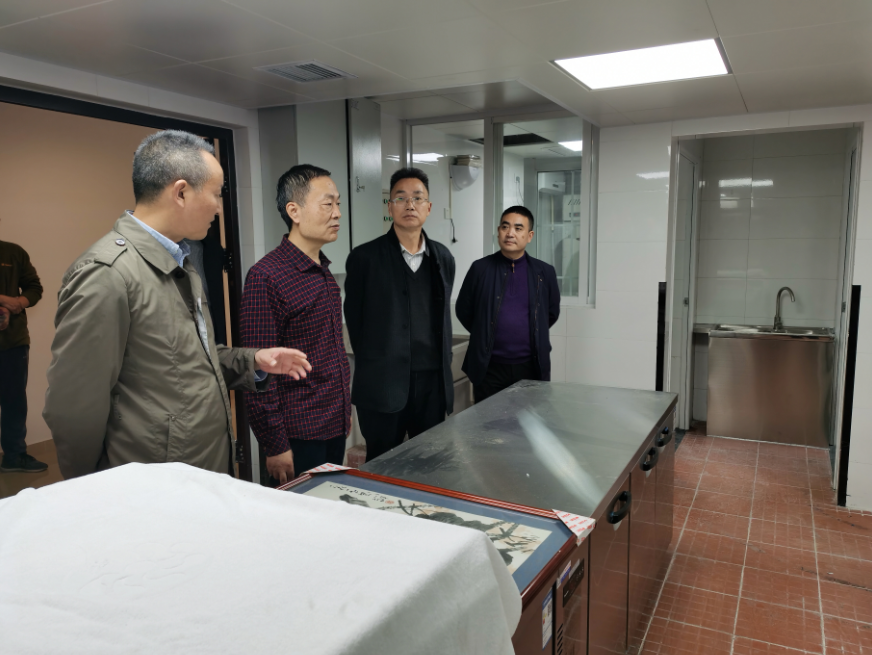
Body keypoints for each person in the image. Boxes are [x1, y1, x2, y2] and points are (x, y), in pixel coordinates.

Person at [44, 130, 311, 480]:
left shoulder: (180, 261)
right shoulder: (108, 274)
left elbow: (188, 362)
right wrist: (92, 489)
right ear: (181, 192)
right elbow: (74, 406)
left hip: (199, 471)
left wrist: (253, 361)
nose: (219, 207)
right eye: (216, 194)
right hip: (151, 482)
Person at [241, 165, 351, 485]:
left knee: (329, 507)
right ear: (294, 211)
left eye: (338, 204)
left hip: (333, 424)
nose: (337, 213)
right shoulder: (266, 276)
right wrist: (275, 444)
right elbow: (258, 372)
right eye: (327, 204)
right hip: (297, 435)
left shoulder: (324, 271)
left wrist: (343, 414)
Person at [345, 167, 455, 462]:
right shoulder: (364, 258)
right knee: (382, 464)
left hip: (431, 385)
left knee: (429, 464)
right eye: (401, 198)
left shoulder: (443, 257)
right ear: (389, 206)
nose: (410, 205)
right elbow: (355, 321)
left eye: (417, 198)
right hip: (383, 384)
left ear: (428, 207)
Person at [456, 206, 560, 403]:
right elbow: (463, 310)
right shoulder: (480, 269)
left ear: (529, 236)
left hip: (530, 367)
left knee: (529, 420)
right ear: (498, 231)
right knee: (489, 421)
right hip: (489, 368)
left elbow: (551, 313)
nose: (510, 233)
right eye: (505, 227)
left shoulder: (544, 272)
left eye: (518, 228)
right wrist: (485, 332)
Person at [0, 233, 46, 473]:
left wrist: (20, 302)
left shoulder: (14, 252)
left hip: (13, 342)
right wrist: (3, 301)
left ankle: (14, 456)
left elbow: (34, 288)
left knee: (14, 402)